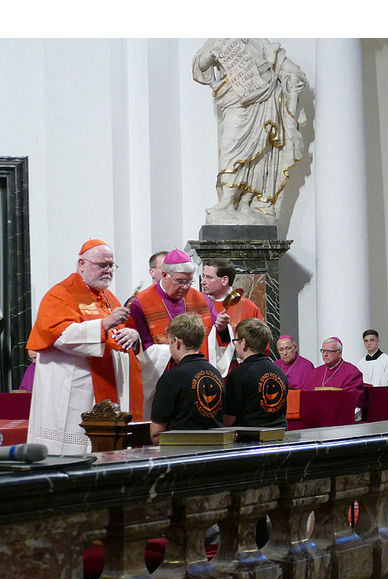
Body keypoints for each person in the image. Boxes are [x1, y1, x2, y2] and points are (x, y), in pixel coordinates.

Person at [26, 239, 143, 455]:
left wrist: (132, 335)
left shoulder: (109, 298)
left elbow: (120, 334)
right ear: (81, 264)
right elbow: (60, 335)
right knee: (74, 452)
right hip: (75, 388)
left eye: (111, 266)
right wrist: (104, 324)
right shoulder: (60, 295)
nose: (108, 271)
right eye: (102, 265)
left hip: (106, 387)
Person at [193, 38, 307, 224]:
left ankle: (247, 202)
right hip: (236, 102)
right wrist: (212, 53)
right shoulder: (219, 40)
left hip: (264, 102)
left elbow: (289, 69)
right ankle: (226, 201)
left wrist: (292, 81)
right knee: (231, 149)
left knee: (259, 154)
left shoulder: (259, 42)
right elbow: (200, 66)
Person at [129, 249, 231, 417]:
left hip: (197, 382)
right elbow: (141, 347)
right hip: (162, 381)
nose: (185, 288)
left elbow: (215, 335)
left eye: (189, 282)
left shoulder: (201, 299)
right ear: (164, 275)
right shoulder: (140, 303)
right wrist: (175, 353)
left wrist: (220, 327)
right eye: (180, 281)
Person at [149, 314, 224, 444]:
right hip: (215, 451)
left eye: (170, 342)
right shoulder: (216, 374)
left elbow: (156, 433)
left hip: (181, 454)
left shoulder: (171, 378)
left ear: (177, 342)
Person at [201, 259, 264, 376]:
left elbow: (261, 346)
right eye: (203, 276)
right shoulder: (198, 306)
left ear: (225, 280)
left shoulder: (246, 307)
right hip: (203, 375)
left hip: (239, 376)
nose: (202, 282)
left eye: (209, 277)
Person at [223, 318, 288, 428]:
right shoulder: (279, 372)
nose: (235, 345)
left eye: (235, 341)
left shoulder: (238, 375)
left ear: (243, 343)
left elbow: (229, 419)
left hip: (250, 439)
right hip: (279, 437)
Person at [304, 337, 365, 418]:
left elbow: (352, 400)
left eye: (329, 351)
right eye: (323, 351)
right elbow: (305, 395)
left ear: (339, 353)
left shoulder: (352, 372)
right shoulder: (315, 372)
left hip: (338, 417)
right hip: (315, 416)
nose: (325, 354)